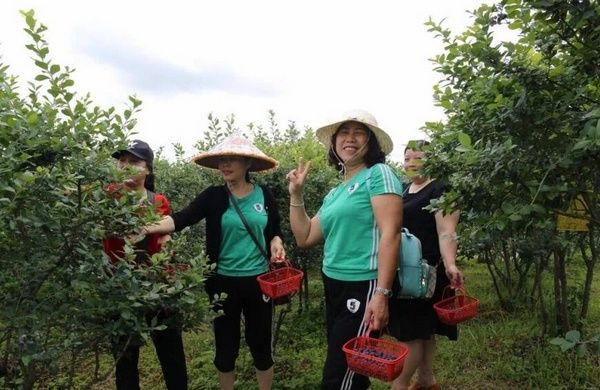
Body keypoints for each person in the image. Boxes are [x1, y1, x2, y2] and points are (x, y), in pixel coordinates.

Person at [143, 134, 285, 390]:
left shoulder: (265, 195)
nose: (225, 164)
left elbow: (275, 229)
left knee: (261, 344)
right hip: (223, 284)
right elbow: (180, 219)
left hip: (259, 283)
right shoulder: (213, 196)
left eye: (231, 159)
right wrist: (146, 228)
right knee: (225, 347)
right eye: (222, 160)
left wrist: (276, 242)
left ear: (247, 164)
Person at [287, 109, 403, 390]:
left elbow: (391, 233)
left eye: (358, 131)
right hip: (334, 283)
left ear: (371, 141)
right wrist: (296, 194)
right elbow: (305, 236)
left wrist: (382, 293)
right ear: (334, 142)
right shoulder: (336, 192)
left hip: (364, 284)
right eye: (344, 132)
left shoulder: (379, 174)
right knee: (352, 370)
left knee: (340, 375)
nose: (350, 138)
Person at [102, 139, 188, 390]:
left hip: (159, 286)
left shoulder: (158, 201)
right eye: (122, 161)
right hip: (121, 288)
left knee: (171, 354)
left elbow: (164, 234)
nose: (126, 166)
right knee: (126, 361)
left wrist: (168, 241)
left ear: (148, 169)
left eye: (134, 161)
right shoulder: (107, 198)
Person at [389, 140, 464, 390]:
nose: (410, 163)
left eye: (417, 158)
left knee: (411, 333)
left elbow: (447, 231)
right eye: (407, 158)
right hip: (402, 270)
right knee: (423, 330)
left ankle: (399, 384)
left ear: (432, 160)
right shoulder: (401, 189)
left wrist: (451, 263)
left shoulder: (441, 190)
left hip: (424, 274)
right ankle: (426, 380)